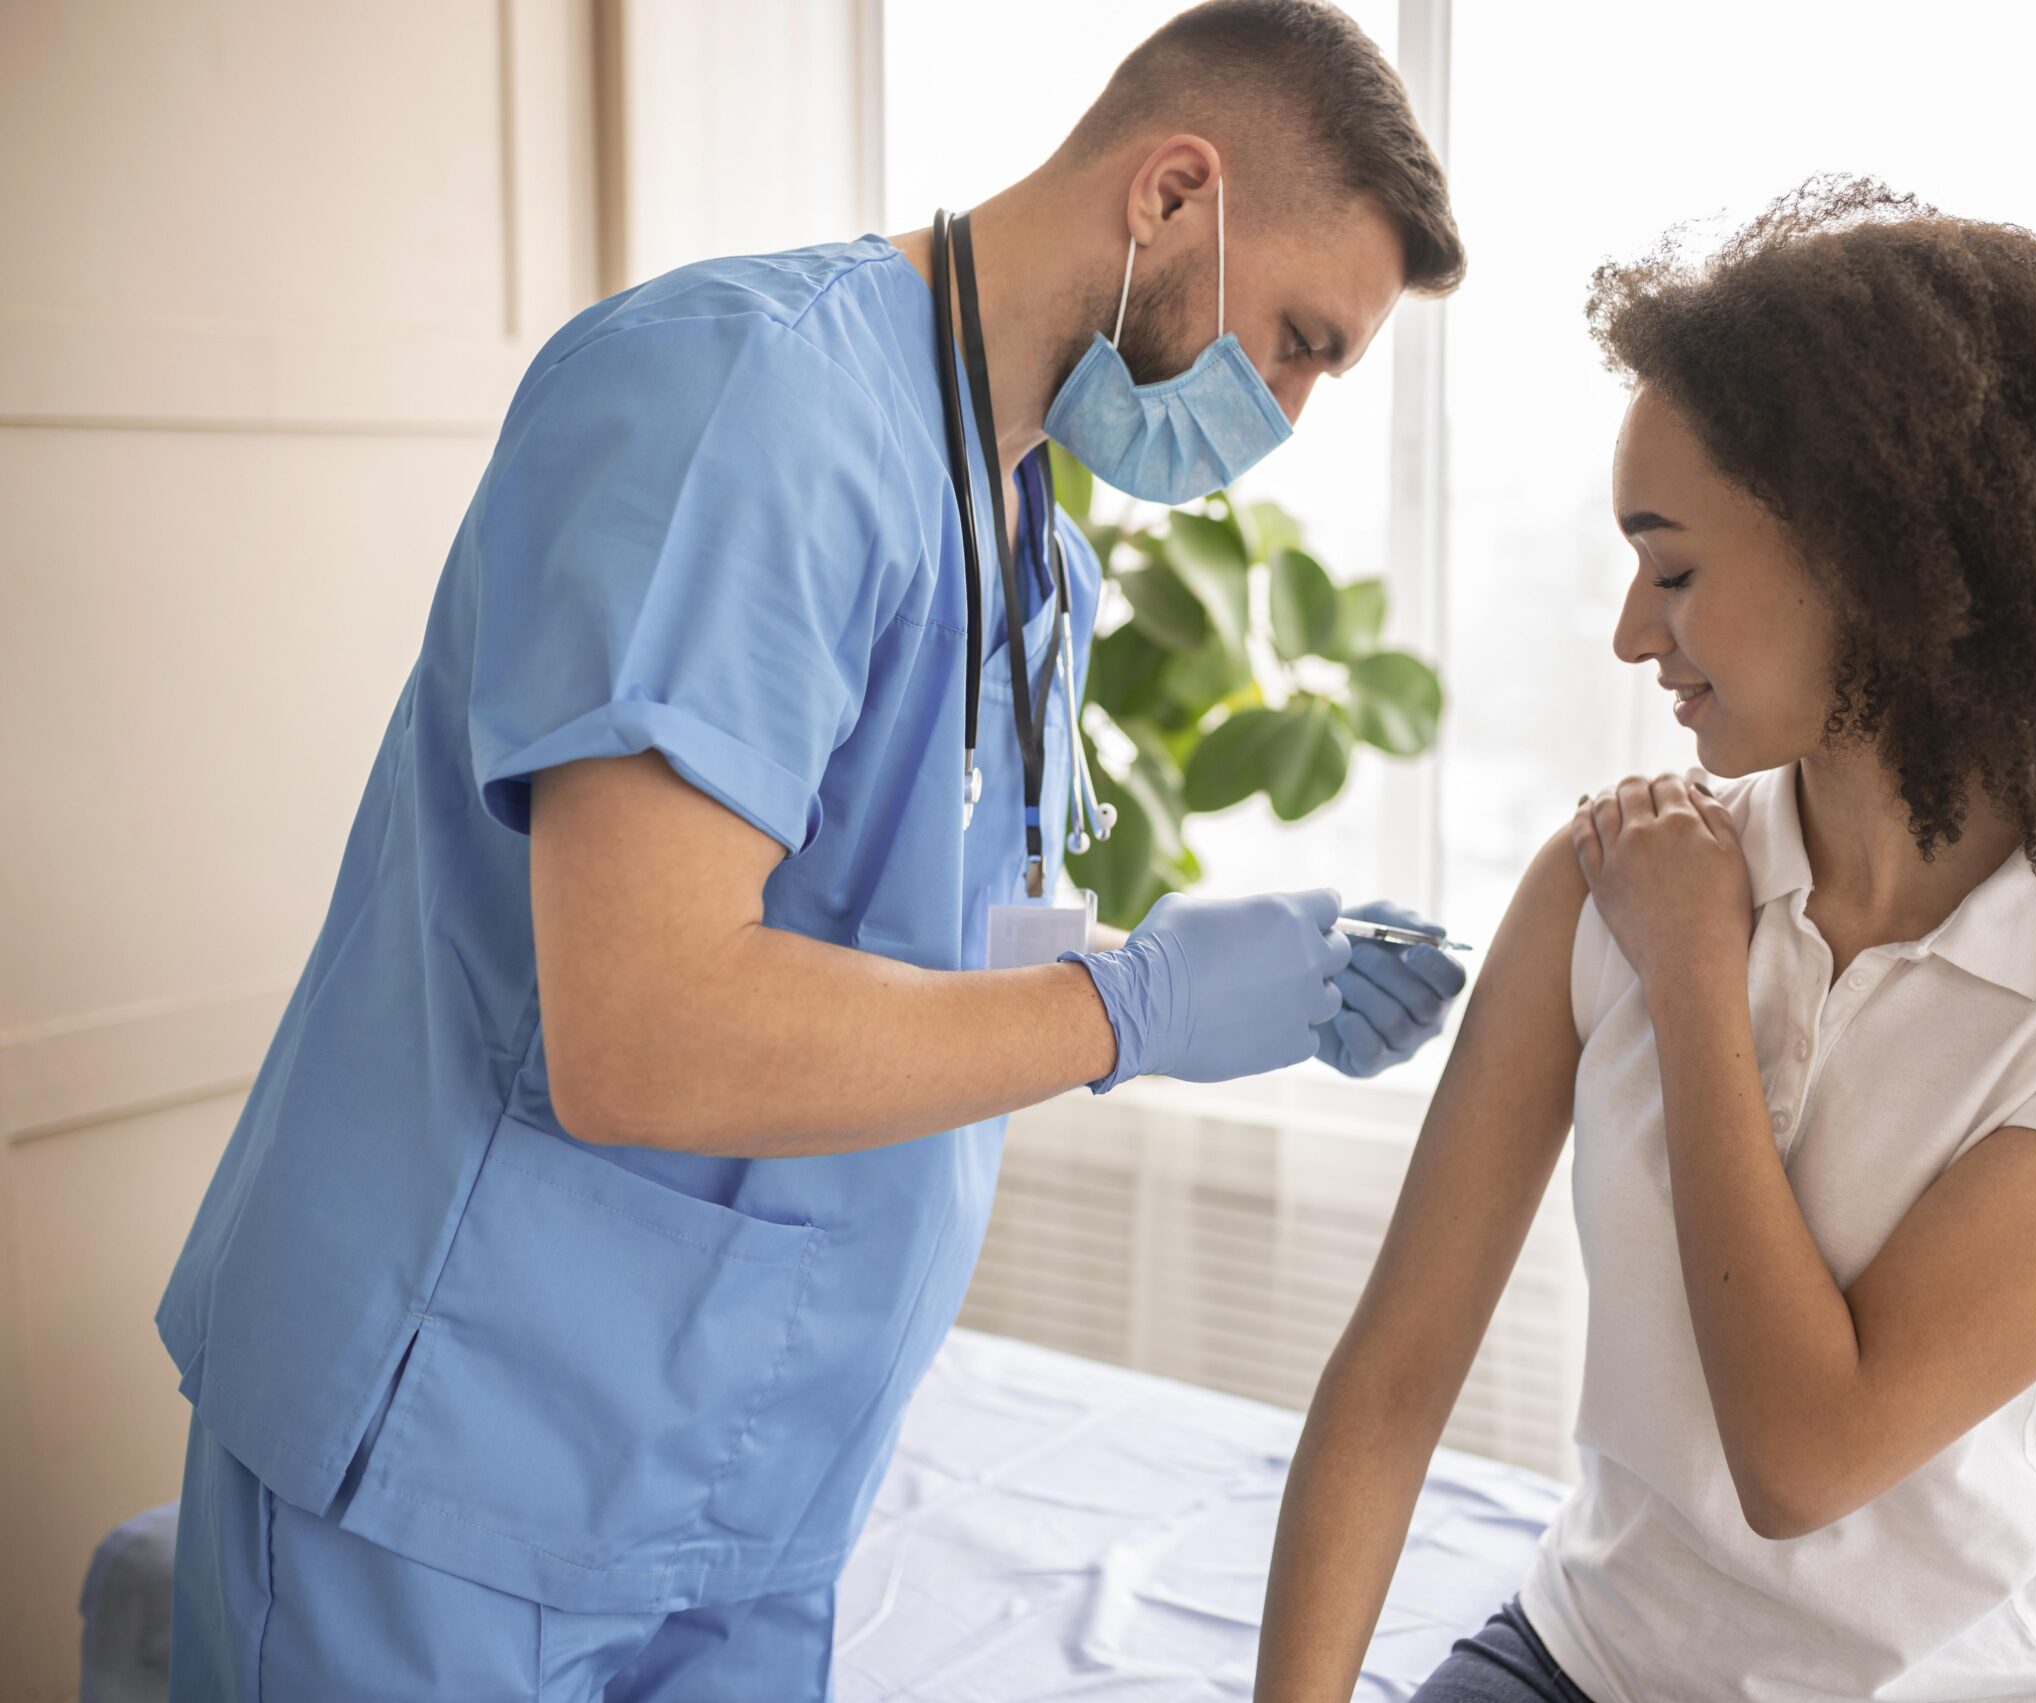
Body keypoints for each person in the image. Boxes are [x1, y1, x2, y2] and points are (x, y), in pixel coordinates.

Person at [155, 4, 1465, 1697]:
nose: (1284, 408)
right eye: (1299, 340)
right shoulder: (746, 401)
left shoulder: (1024, 531)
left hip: (750, 1484)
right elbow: (648, 1032)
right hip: (459, 1461)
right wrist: (1130, 1009)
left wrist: (1183, 985)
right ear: (1172, 196)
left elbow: (894, 942)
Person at [1255, 179, 2036, 1703]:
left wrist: (1695, 983)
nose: (1629, 633)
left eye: (1674, 569)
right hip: (1579, 1660)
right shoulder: (1605, 874)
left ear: (1882, 562)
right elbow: (1394, 1379)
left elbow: (1807, 1459)